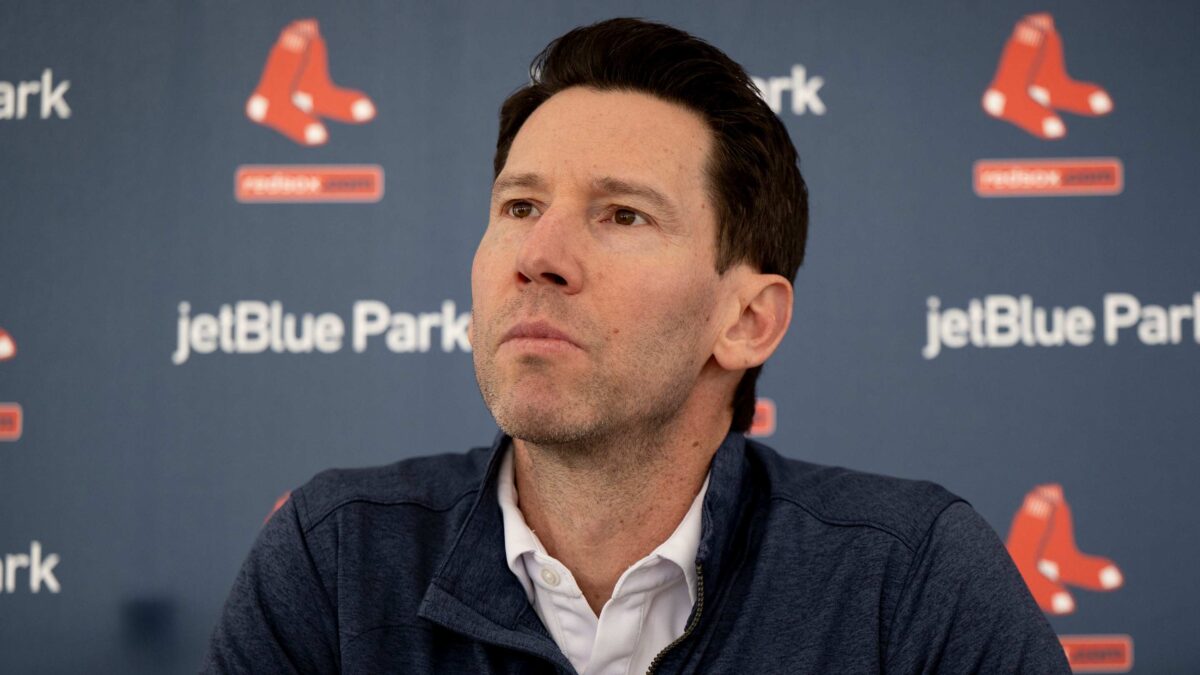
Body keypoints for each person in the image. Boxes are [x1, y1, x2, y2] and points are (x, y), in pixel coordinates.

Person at [204, 17, 1070, 674]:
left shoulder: (907, 579)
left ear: (747, 320)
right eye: (520, 206)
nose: (539, 256)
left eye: (623, 215)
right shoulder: (336, 560)